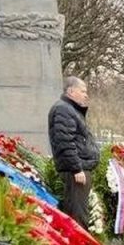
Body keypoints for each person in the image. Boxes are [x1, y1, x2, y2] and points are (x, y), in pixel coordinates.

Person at [48, 76, 99, 227]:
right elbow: (65, 142)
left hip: (79, 169)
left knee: (77, 211)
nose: (86, 94)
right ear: (71, 91)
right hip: (76, 172)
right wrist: (76, 168)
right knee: (78, 214)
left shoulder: (70, 110)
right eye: (82, 91)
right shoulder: (64, 109)